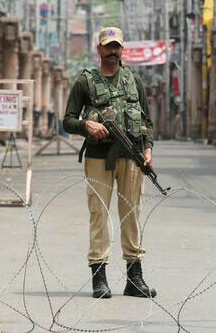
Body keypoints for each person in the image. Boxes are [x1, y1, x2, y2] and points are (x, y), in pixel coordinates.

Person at [62, 27, 157, 299]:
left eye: (117, 47)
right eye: (108, 47)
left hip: (132, 156)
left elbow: (146, 121)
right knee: (99, 214)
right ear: (99, 50)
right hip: (97, 156)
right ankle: (99, 277)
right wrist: (86, 125)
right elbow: (67, 120)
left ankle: (134, 279)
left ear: (122, 50)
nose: (113, 51)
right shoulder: (85, 82)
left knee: (131, 216)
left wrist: (148, 149)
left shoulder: (133, 80)